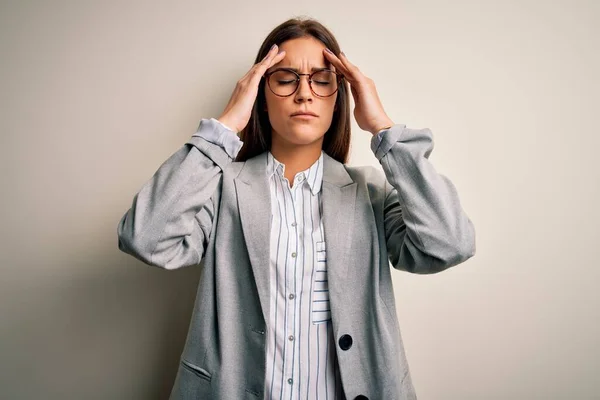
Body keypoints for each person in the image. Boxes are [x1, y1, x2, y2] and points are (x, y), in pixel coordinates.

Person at [117, 17, 476, 400]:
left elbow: (449, 243)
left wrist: (383, 128)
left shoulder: (369, 191)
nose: (304, 94)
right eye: (286, 79)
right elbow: (145, 238)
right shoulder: (221, 188)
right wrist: (225, 126)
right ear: (260, 95)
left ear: (340, 97)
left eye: (322, 81)